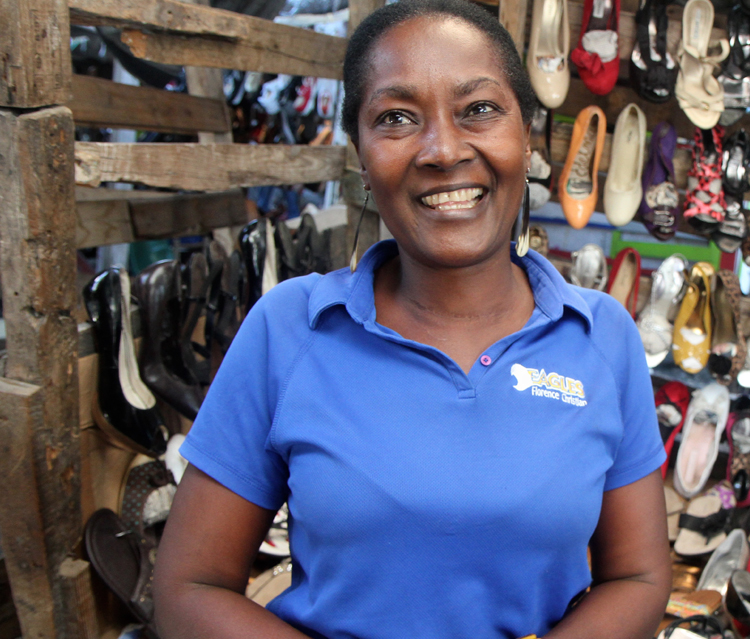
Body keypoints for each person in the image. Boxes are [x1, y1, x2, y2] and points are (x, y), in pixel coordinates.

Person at [152, 1, 671, 637]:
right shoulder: (290, 329)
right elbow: (187, 590)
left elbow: (639, 578)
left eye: (478, 109)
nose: (443, 149)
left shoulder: (602, 336)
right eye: (396, 118)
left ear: (527, 134)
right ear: (362, 159)